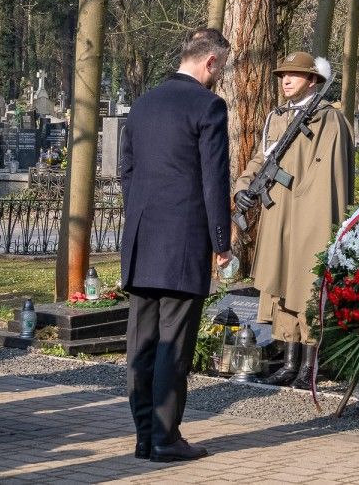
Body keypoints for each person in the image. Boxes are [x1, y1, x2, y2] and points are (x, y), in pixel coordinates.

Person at [120, 27, 232, 463]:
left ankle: (144, 435)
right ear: (211, 63)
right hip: (183, 242)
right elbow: (213, 177)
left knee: (141, 343)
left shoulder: (144, 103)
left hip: (142, 239)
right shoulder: (208, 106)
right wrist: (220, 241)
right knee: (173, 345)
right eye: (221, 67)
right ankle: (166, 438)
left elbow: (126, 169)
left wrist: (142, 214)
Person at [233, 52, 353, 387]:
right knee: (281, 280)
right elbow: (263, 155)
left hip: (311, 213)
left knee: (306, 285)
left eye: (294, 75)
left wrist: (317, 219)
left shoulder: (328, 119)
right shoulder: (277, 116)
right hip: (279, 213)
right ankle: (288, 361)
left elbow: (330, 176)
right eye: (283, 75)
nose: (286, 80)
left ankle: (309, 365)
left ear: (313, 80)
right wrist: (243, 187)